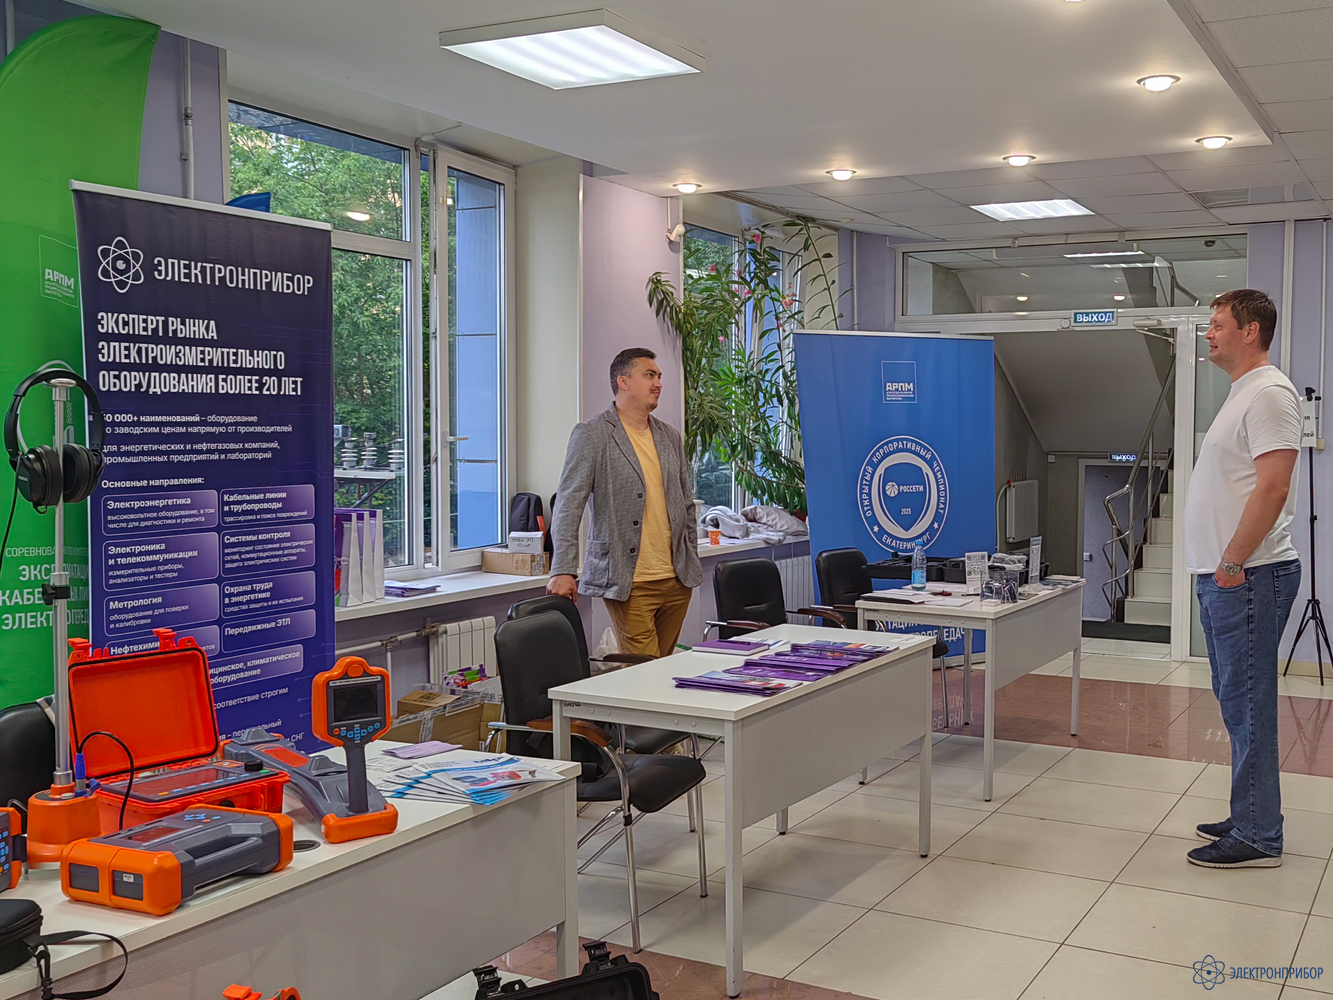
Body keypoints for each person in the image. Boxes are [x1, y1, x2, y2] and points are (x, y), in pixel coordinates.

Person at [1184, 288, 1302, 869]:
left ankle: (1259, 836)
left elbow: (1273, 488)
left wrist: (1231, 561)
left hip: (1249, 575)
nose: (1208, 334)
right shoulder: (1242, 392)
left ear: (1249, 331)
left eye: (1217, 324)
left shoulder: (1270, 393)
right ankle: (1252, 812)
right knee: (1237, 702)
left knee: (1249, 705)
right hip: (1229, 576)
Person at [546, 348, 702, 658]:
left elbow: (686, 505)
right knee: (644, 670)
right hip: (628, 579)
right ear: (623, 381)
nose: (658, 383)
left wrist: (691, 556)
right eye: (649, 375)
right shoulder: (592, 434)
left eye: (659, 376)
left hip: (676, 579)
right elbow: (568, 505)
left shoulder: (669, 437)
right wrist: (562, 569)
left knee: (663, 667)